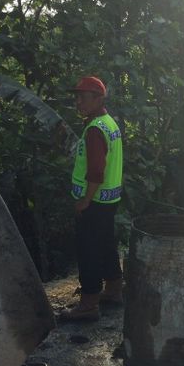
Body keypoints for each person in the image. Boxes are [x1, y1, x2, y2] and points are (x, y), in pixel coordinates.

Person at [58, 76, 124, 321]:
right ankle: (114, 290)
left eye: (83, 97)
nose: (78, 102)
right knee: (106, 244)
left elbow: (96, 170)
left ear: (99, 99)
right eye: (77, 97)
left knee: (89, 251)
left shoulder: (95, 129)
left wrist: (85, 199)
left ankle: (88, 305)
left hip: (94, 202)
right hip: (109, 200)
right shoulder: (109, 123)